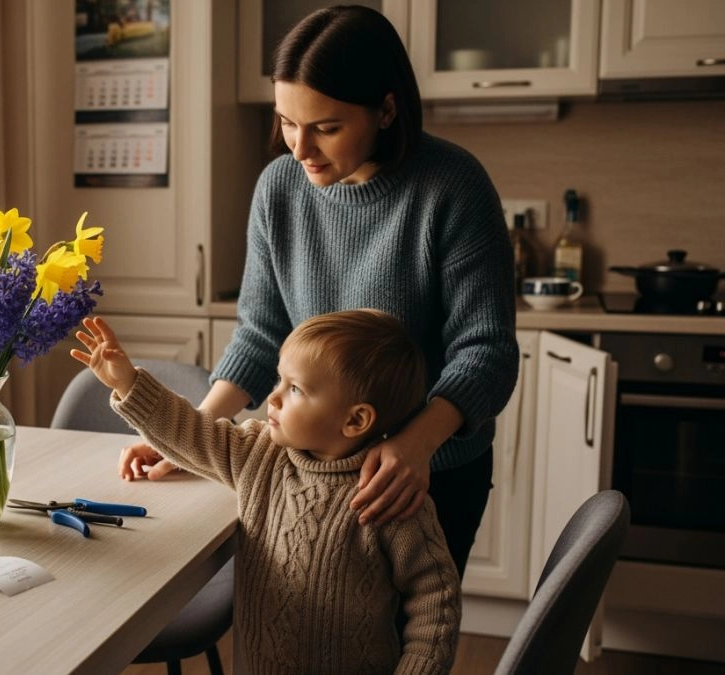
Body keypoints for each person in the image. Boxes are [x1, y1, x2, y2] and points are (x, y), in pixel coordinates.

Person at [119, 5, 518, 577]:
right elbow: (260, 336)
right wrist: (188, 435)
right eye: (286, 122)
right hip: (305, 472)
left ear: (386, 108)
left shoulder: (452, 187)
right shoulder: (280, 188)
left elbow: (487, 352)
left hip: (422, 477)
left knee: (408, 651)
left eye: (325, 127)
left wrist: (416, 445)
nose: (299, 148)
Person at [72, 311, 461, 675]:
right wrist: (128, 384)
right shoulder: (259, 454)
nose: (272, 398)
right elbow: (190, 431)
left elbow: (436, 602)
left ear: (356, 419)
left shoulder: (389, 496)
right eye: (279, 380)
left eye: (295, 389)